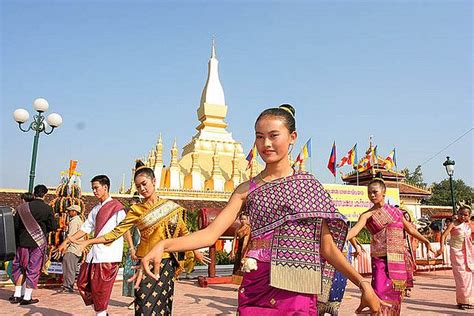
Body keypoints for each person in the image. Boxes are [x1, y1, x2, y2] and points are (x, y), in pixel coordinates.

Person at [139, 104, 386, 315]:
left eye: (273, 135)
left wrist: (364, 285)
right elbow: (210, 234)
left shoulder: (308, 186)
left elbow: (328, 248)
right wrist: (163, 245)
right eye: (259, 136)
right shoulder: (246, 189)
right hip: (256, 284)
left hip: (297, 288)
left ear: (293, 137)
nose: (265, 144)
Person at [74, 161, 210, 315]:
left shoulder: (171, 208)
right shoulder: (135, 210)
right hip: (144, 263)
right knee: (144, 307)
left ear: (154, 181)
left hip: (165, 263)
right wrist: (90, 241)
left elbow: (184, 233)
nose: (142, 189)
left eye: (144, 184)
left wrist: (196, 251)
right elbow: (116, 233)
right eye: (138, 187)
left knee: (162, 307)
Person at [346, 177, 434, 315]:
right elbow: (355, 230)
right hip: (380, 260)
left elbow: (410, 229)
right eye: (369, 193)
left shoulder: (397, 212)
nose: (372, 195)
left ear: (384, 192)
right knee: (379, 293)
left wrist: (426, 241)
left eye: (375, 192)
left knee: (396, 296)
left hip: (398, 259)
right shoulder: (366, 215)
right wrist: (339, 239)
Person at [58, 175, 126, 316]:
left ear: (105, 187)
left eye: (96, 188)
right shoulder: (96, 209)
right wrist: (66, 241)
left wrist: (131, 248)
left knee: (101, 290)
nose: (94, 191)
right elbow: (85, 229)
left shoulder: (117, 208)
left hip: (109, 255)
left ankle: (101, 313)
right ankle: (101, 313)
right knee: (83, 283)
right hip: (94, 254)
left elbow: (124, 230)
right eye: (93, 188)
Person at [10, 184, 57, 305]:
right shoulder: (47, 209)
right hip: (38, 243)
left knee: (19, 267)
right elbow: (53, 226)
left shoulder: (21, 208)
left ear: (34, 193)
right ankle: (27, 297)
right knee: (33, 268)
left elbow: (15, 226)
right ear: (45, 194)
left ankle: (16, 295)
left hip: (22, 242)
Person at [435, 205, 473, 310]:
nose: (463, 216)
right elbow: (443, 236)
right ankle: (462, 301)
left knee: (468, 276)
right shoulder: (453, 224)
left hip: (467, 253)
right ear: (457, 214)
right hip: (456, 253)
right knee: (461, 277)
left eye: (465, 215)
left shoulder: (468, 225)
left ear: (469, 216)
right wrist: (441, 248)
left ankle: (468, 300)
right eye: (461, 214)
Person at [58, 204, 84, 293]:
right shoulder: (78, 221)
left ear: (74, 212)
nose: (68, 213)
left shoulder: (74, 221)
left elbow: (71, 236)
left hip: (72, 247)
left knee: (68, 267)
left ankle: (68, 286)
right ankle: (68, 285)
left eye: (70, 211)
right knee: (71, 267)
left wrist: (64, 245)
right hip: (77, 248)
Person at [122, 195, 141, 310]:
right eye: (131, 206)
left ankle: (138, 300)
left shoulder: (145, 216)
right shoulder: (130, 219)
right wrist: (131, 248)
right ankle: (135, 297)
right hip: (134, 249)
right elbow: (126, 232)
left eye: (134, 206)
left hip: (145, 251)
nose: (132, 208)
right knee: (129, 273)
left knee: (141, 276)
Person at [229, 213, 251, 285]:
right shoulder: (238, 229)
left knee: (244, 266)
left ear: (247, 220)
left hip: (246, 248)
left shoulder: (248, 228)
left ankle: (245, 284)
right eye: (241, 219)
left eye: (244, 219)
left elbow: (245, 242)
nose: (243, 221)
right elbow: (234, 240)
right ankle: (238, 283)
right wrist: (232, 251)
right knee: (237, 266)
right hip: (239, 248)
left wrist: (244, 253)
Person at [402, 210, 416, 298]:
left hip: (407, 250)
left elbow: (411, 241)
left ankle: (407, 289)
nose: (406, 219)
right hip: (397, 251)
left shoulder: (411, 227)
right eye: (404, 217)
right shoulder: (398, 227)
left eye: (407, 217)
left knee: (408, 270)